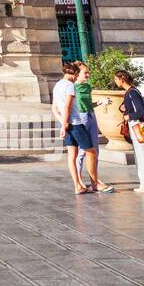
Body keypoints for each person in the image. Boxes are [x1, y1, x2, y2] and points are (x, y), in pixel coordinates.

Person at [52, 61, 113, 195]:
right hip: (75, 123)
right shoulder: (69, 86)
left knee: (71, 156)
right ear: (74, 73)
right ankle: (95, 183)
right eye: (77, 74)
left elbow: (54, 108)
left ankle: (78, 185)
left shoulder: (57, 85)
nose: (76, 78)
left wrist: (62, 122)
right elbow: (67, 106)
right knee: (91, 152)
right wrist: (65, 124)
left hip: (67, 124)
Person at [115, 69, 144, 199]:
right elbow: (127, 107)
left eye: (116, 79)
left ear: (122, 79)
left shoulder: (132, 93)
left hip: (139, 126)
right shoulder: (130, 92)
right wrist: (123, 109)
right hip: (134, 127)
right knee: (140, 157)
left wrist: (128, 116)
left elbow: (141, 112)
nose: (115, 81)